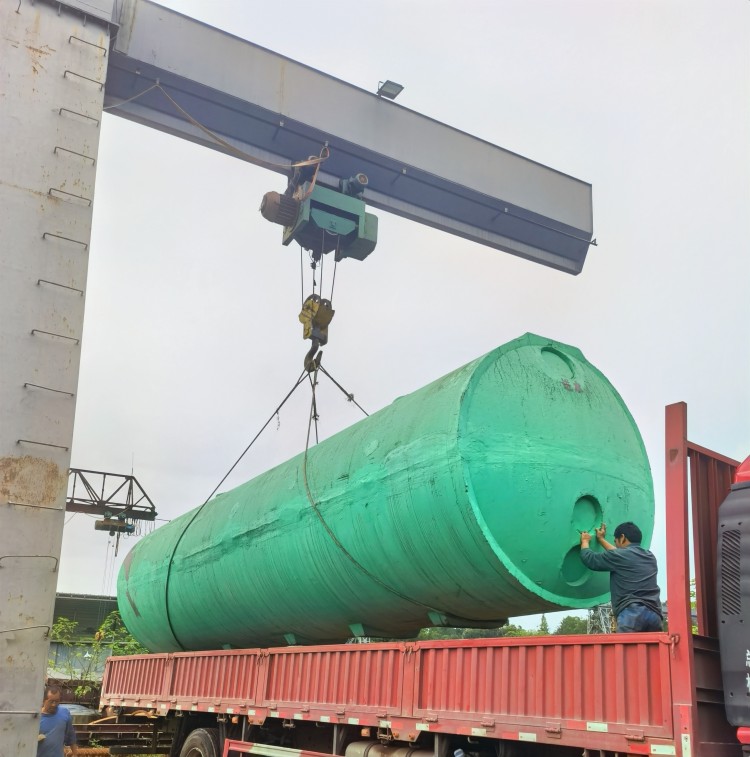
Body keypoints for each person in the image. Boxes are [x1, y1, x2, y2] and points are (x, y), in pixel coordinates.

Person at [579, 521, 663, 632]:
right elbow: (619, 554)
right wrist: (601, 539)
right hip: (655, 615)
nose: (616, 544)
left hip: (631, 614)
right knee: (652, 644)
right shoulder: (650, 556)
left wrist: (585, 541)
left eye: (616, 541)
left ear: (622, 537)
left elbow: (590, 559)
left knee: (625, 644)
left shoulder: (619, 556)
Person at [37, 685, 78, 757]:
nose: (54, 704)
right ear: (43, 701)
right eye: (51, 701)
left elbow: (71, 735)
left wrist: (75, 754)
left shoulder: (64, 713)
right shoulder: (36, 717)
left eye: (57, 701)